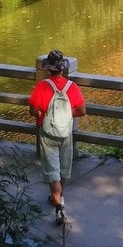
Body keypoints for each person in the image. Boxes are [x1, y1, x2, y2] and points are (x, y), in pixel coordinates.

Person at [28, 49, 86, 223]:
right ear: (63, 68)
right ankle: (58, 196)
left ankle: (59, 205)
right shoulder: (71, 86)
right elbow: (82, 111)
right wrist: (66, 115)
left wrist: (44, 115)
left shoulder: (42, 86)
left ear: (48, 68)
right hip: (65, 133)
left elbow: (33, 110)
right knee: (64, 168)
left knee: (52, 171)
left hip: (48, 133)